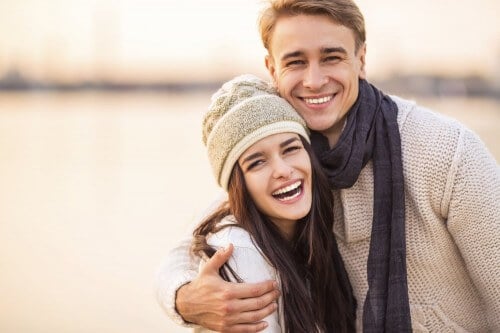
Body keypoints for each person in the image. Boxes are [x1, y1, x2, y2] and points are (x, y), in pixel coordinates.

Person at [157, 0, 500, 332]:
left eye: (331, 57)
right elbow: (190, 247)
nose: (314, 80)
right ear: (272, 70)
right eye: (295, 62)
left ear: (361, 59)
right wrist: (184, 299)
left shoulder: (446, 149)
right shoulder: (286, 149)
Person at [186, 74, 355, 332]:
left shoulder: (305, 238)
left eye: (290, 149)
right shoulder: (238, 252)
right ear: (237, 187)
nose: (283, 170)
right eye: (257, 162)